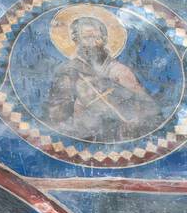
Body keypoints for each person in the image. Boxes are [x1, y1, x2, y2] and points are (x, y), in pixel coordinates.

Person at [44, 14, 159, 143]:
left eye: (97, 37)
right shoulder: (67, 72)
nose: (93, 42)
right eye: (87, 37)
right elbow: (57, 113)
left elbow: (147, 105)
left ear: (104, 39)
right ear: (76, 40)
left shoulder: (119, 71)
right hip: (84, 137)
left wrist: (136, 119)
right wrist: (80, 112)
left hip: (120, 136)